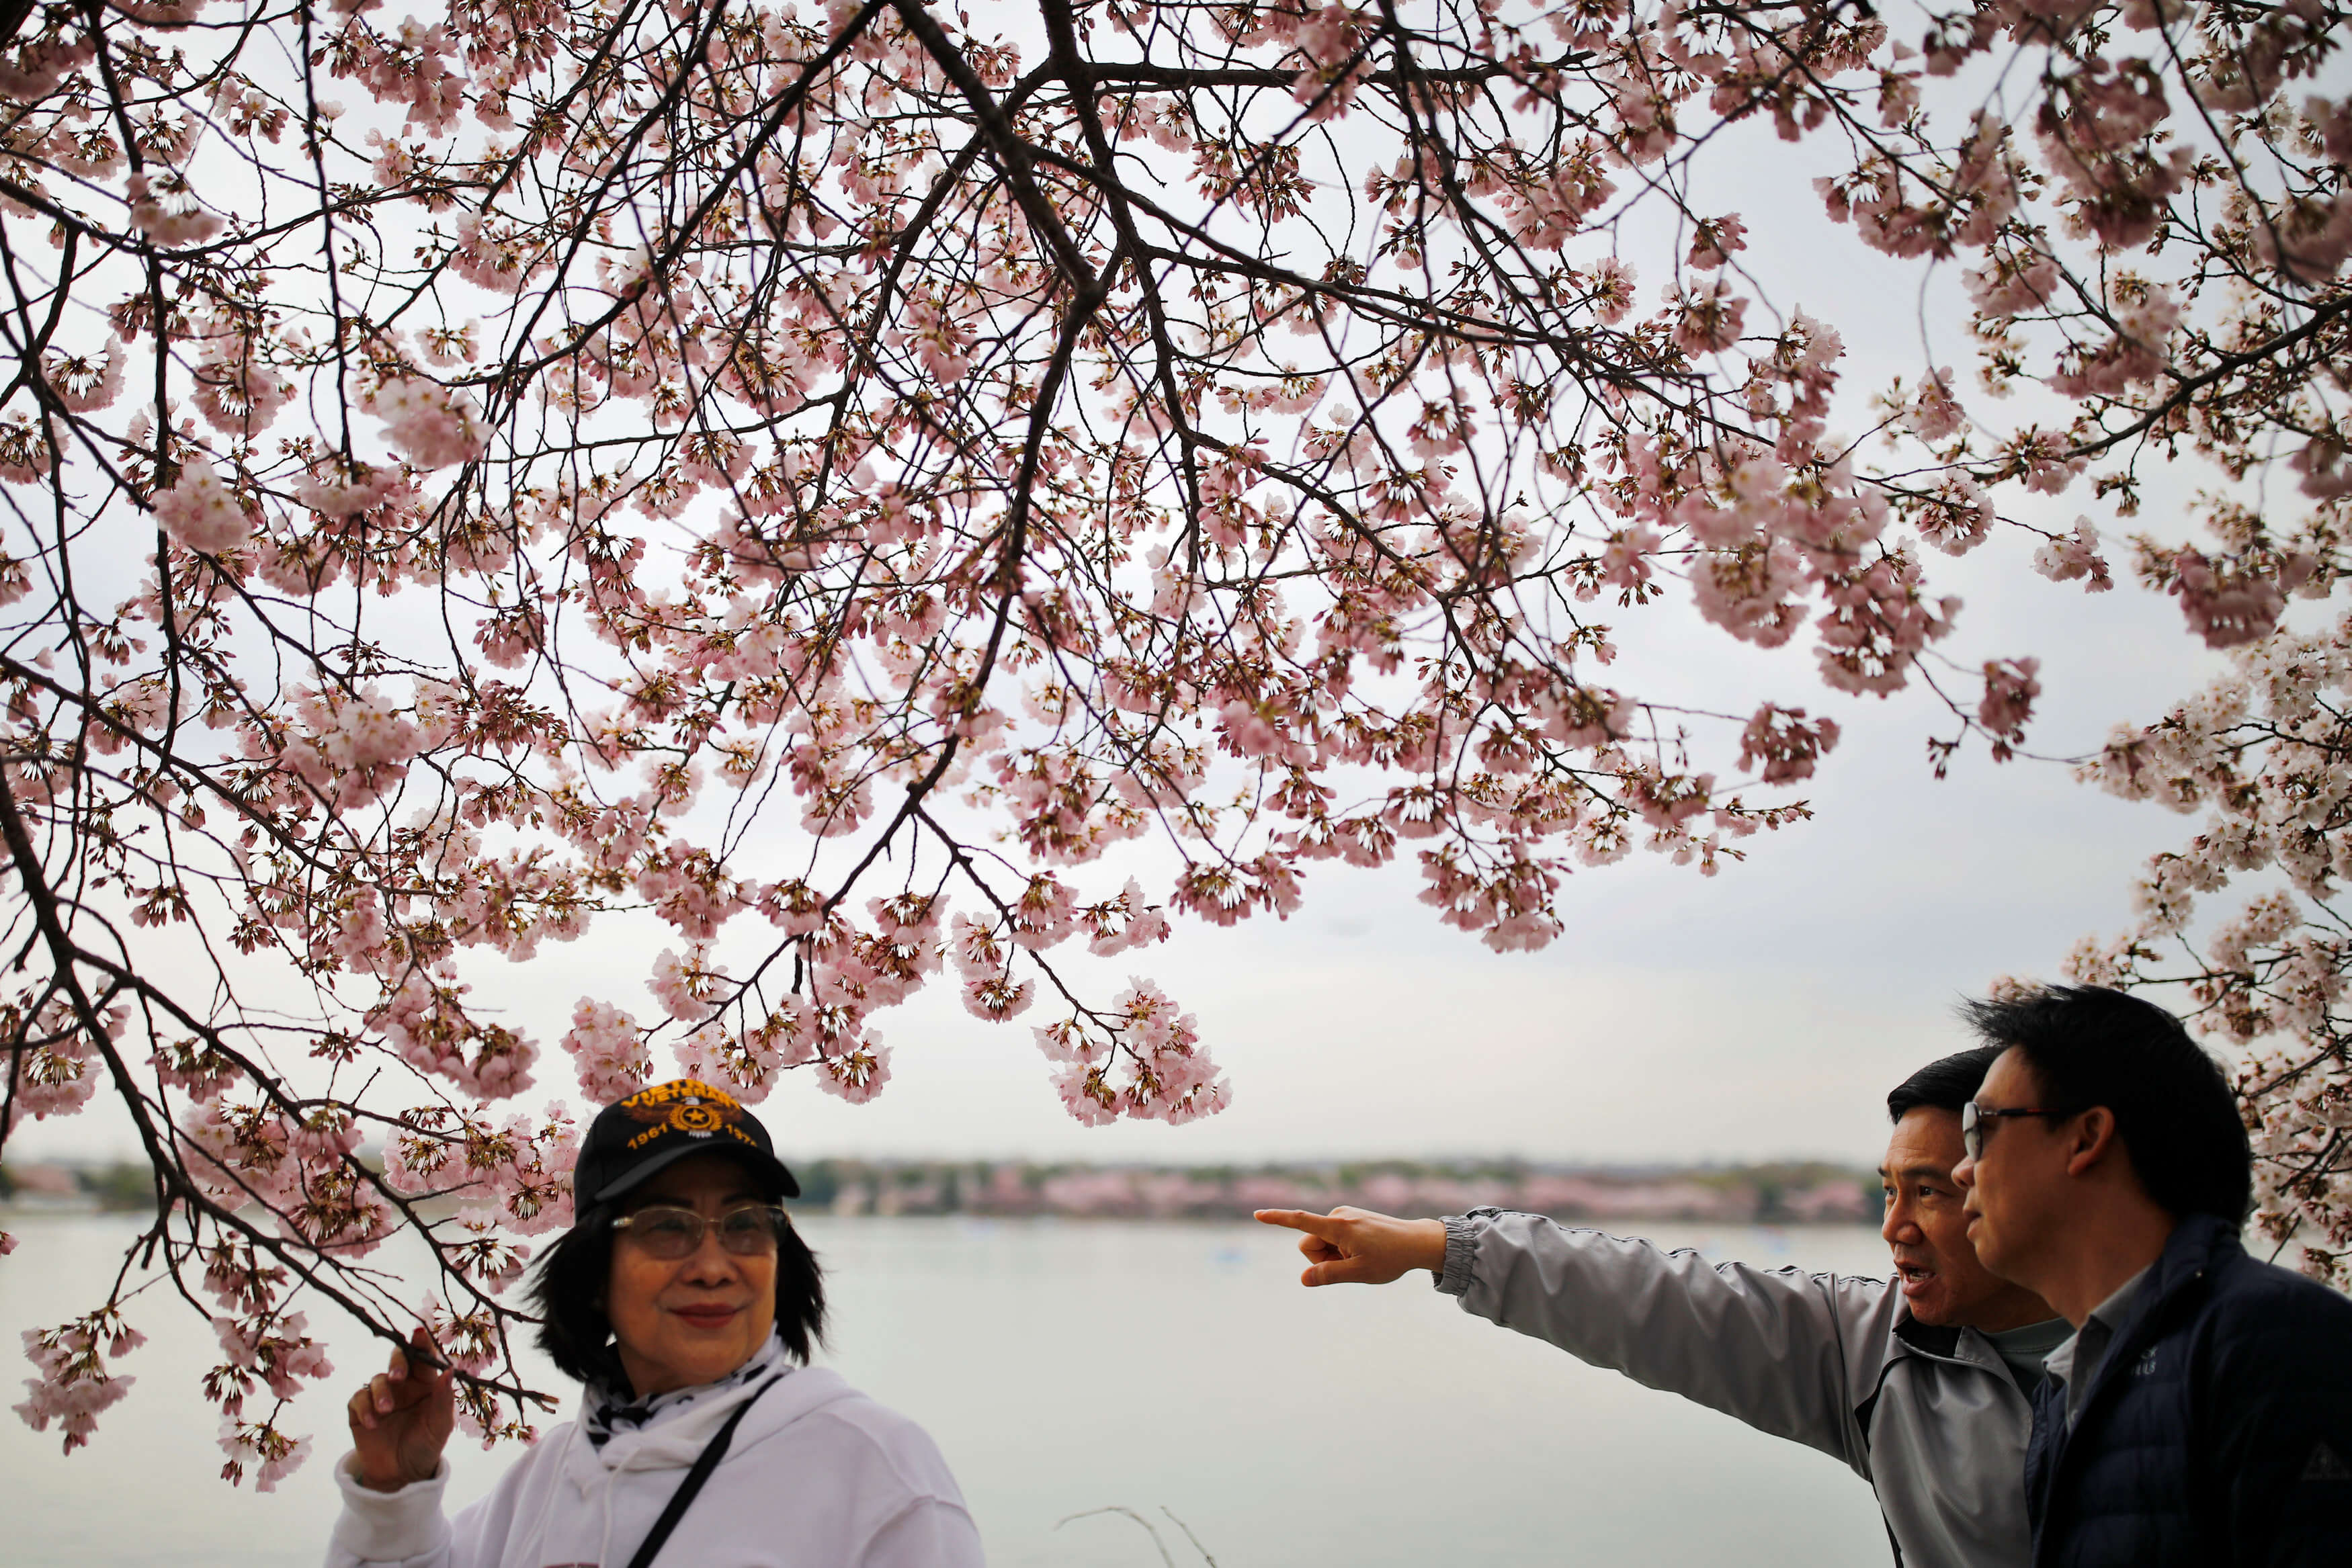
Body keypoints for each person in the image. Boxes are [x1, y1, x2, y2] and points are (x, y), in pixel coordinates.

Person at [1258, 1047, 2068, 1568]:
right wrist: (1439, 1247)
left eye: (1927, 1191)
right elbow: (1662, 1299)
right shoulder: (1874, 1353)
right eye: (1887, 1191)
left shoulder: (2180, 1349)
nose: (1892, 1228)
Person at [327, 1077, 984, 1568]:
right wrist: (393, 1492)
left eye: (745, 1225)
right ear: (593, 1271)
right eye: (666, 1226)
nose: (712, 1265)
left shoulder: (875, 1470)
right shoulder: (548, 1476)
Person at [1949, 984, 2352, 1567]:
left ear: (2086, 1137)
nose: (1963, 1169)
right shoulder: (2068, 1383)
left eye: (1979, 1128)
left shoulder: (2278, 1339)